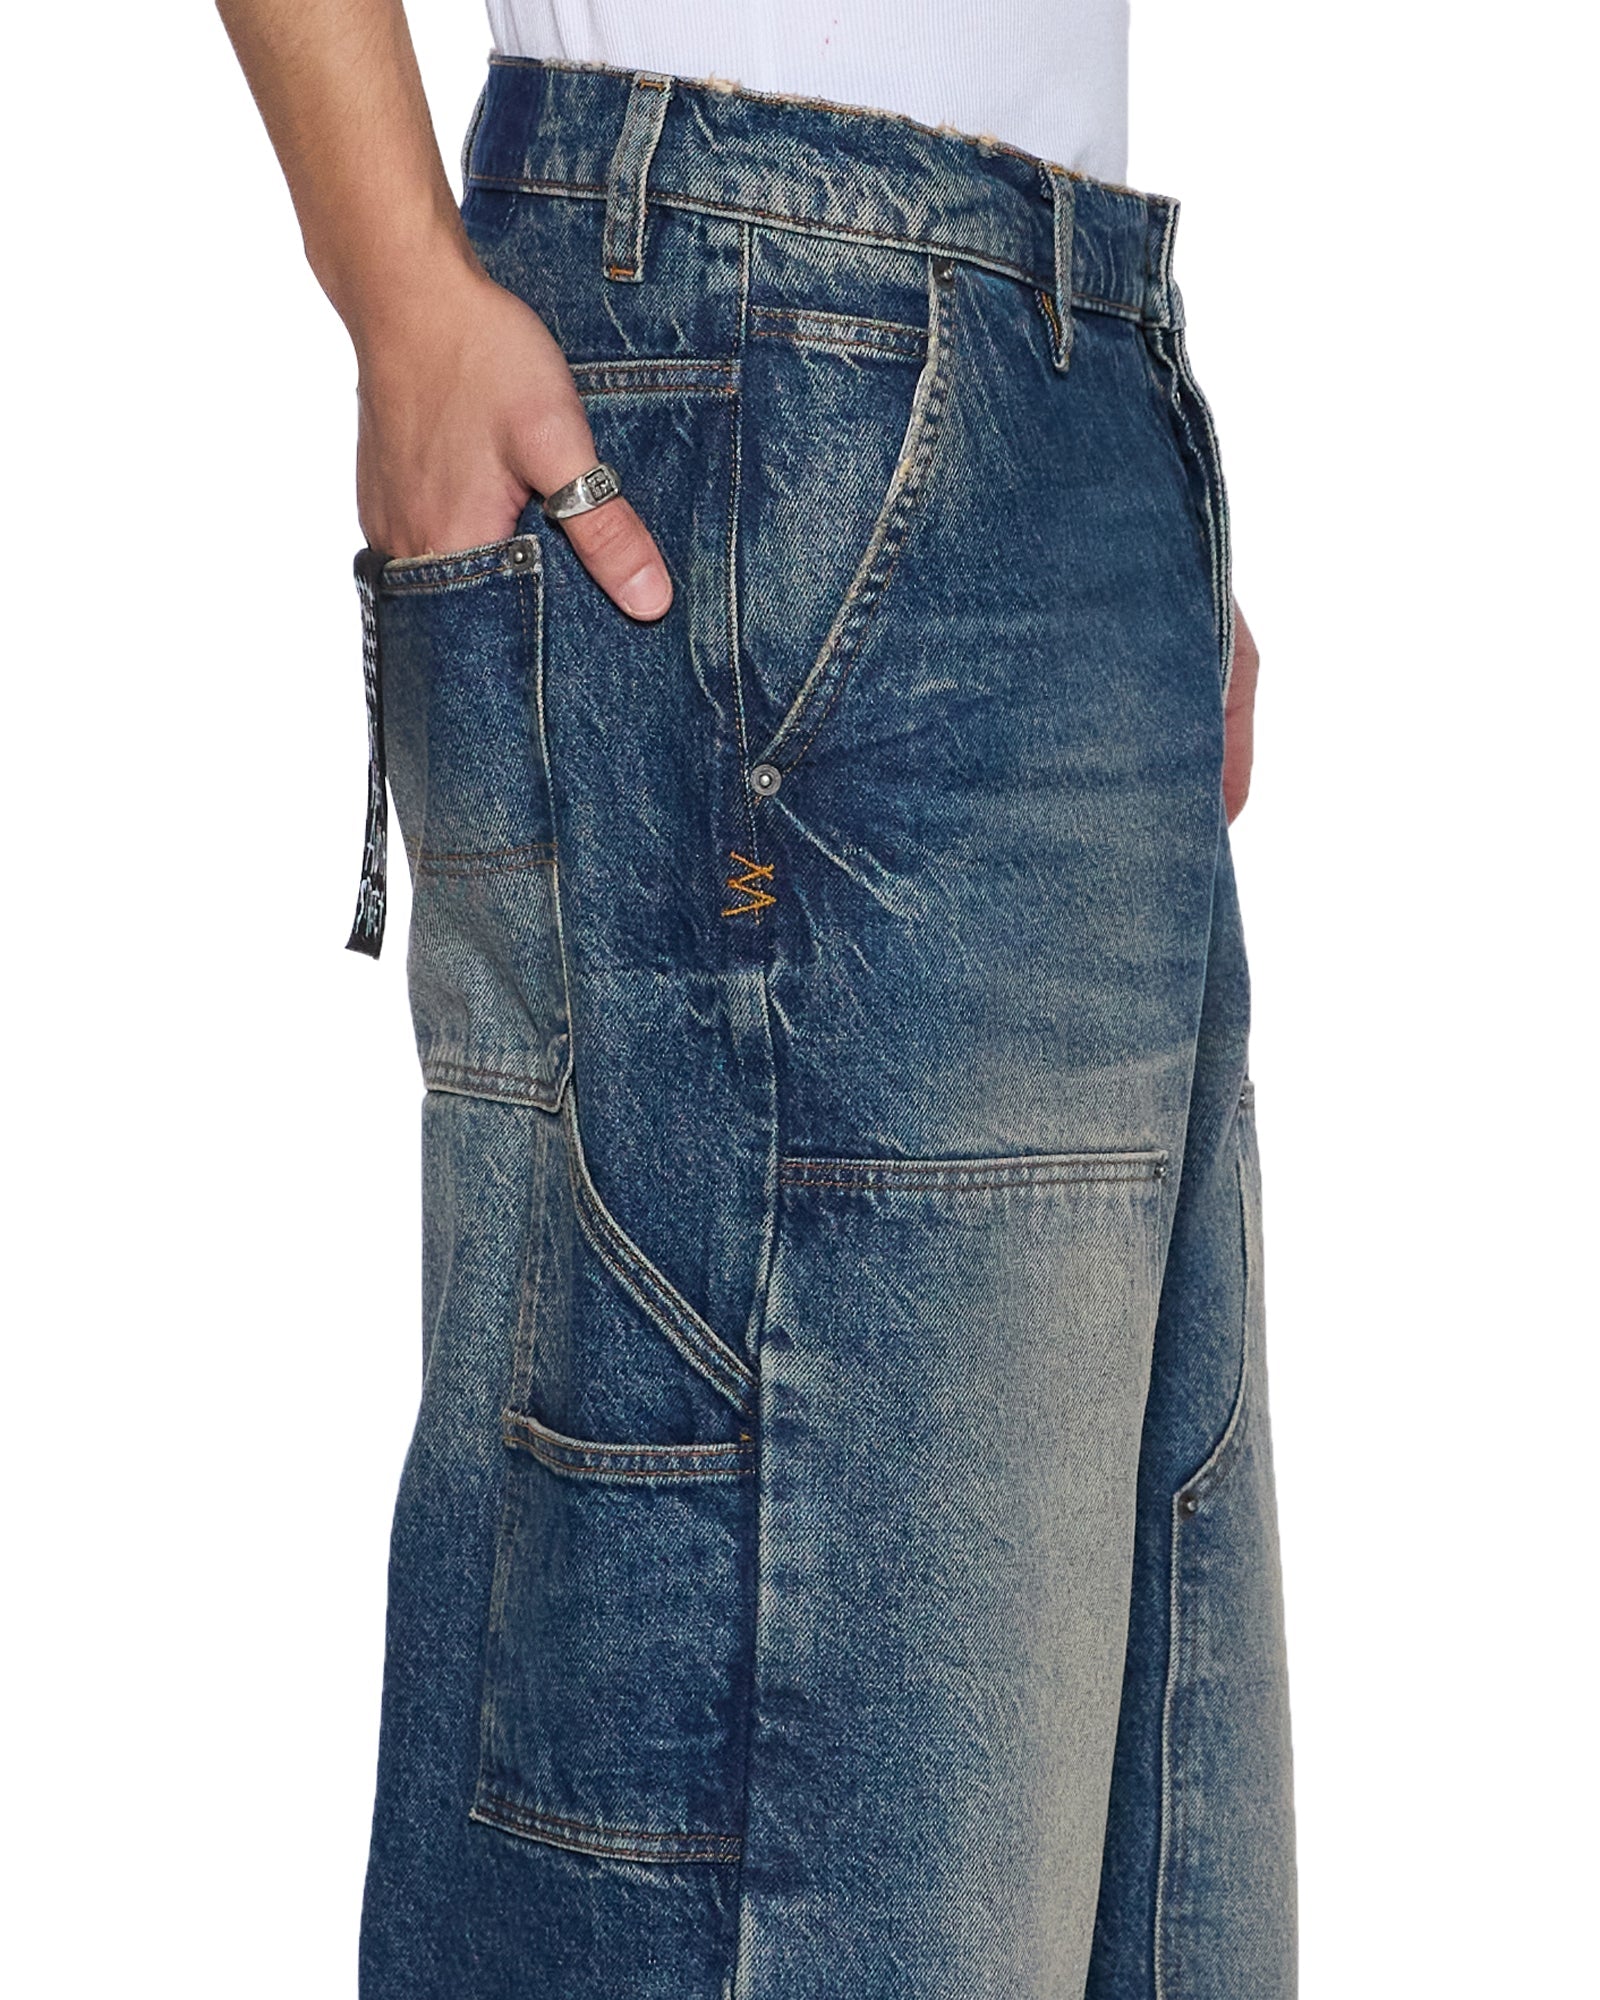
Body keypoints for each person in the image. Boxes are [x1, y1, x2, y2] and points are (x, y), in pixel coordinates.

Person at [215, 3, 1294, 1993]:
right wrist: (394, 285)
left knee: (1122, 1891)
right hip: (752, 367)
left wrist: (1071, 466)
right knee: (788, 1857)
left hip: (1061, 383)